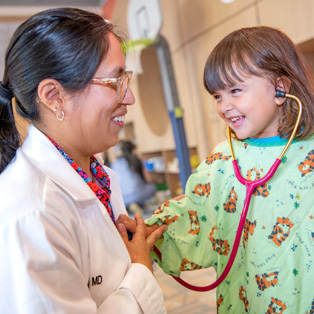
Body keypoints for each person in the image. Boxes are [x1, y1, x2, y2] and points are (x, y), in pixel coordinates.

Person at [0, 8, 167, 313]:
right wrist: (140, 270)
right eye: (115, 82)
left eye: (125, 78)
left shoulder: (92, 177)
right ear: (54, 96)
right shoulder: (32, 213)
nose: (129, 97)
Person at [144, 26, 314, 312]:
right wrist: (149, 231)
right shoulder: (222, 160)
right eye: (217, 96)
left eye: (235, 90)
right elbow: (196, 217)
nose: (224, 107)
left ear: (280, 89)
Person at [111, 140, 156, 213]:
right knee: (152, 187)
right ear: (132, 150)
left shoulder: (116, 162)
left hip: (122, 198)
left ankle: (130, 205)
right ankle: (138, 204)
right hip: (137, 195)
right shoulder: (136, 160)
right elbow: (148, 180)